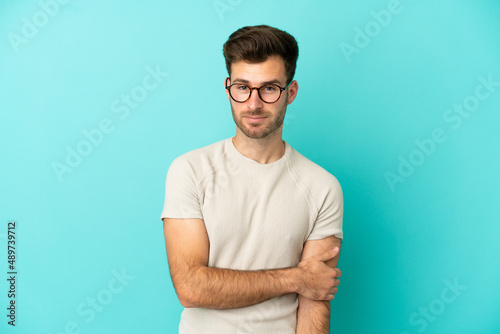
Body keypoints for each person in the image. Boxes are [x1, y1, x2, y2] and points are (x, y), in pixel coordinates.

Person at [161, 24, 343, 333]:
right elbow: (190, 287)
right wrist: (296, 277)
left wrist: (307, 283)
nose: (254, 104)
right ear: (228, 87)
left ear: (291, 92)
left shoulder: (322, 187)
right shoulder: (190, 170)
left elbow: (315, 299)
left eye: (269, 88)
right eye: (243, 87)